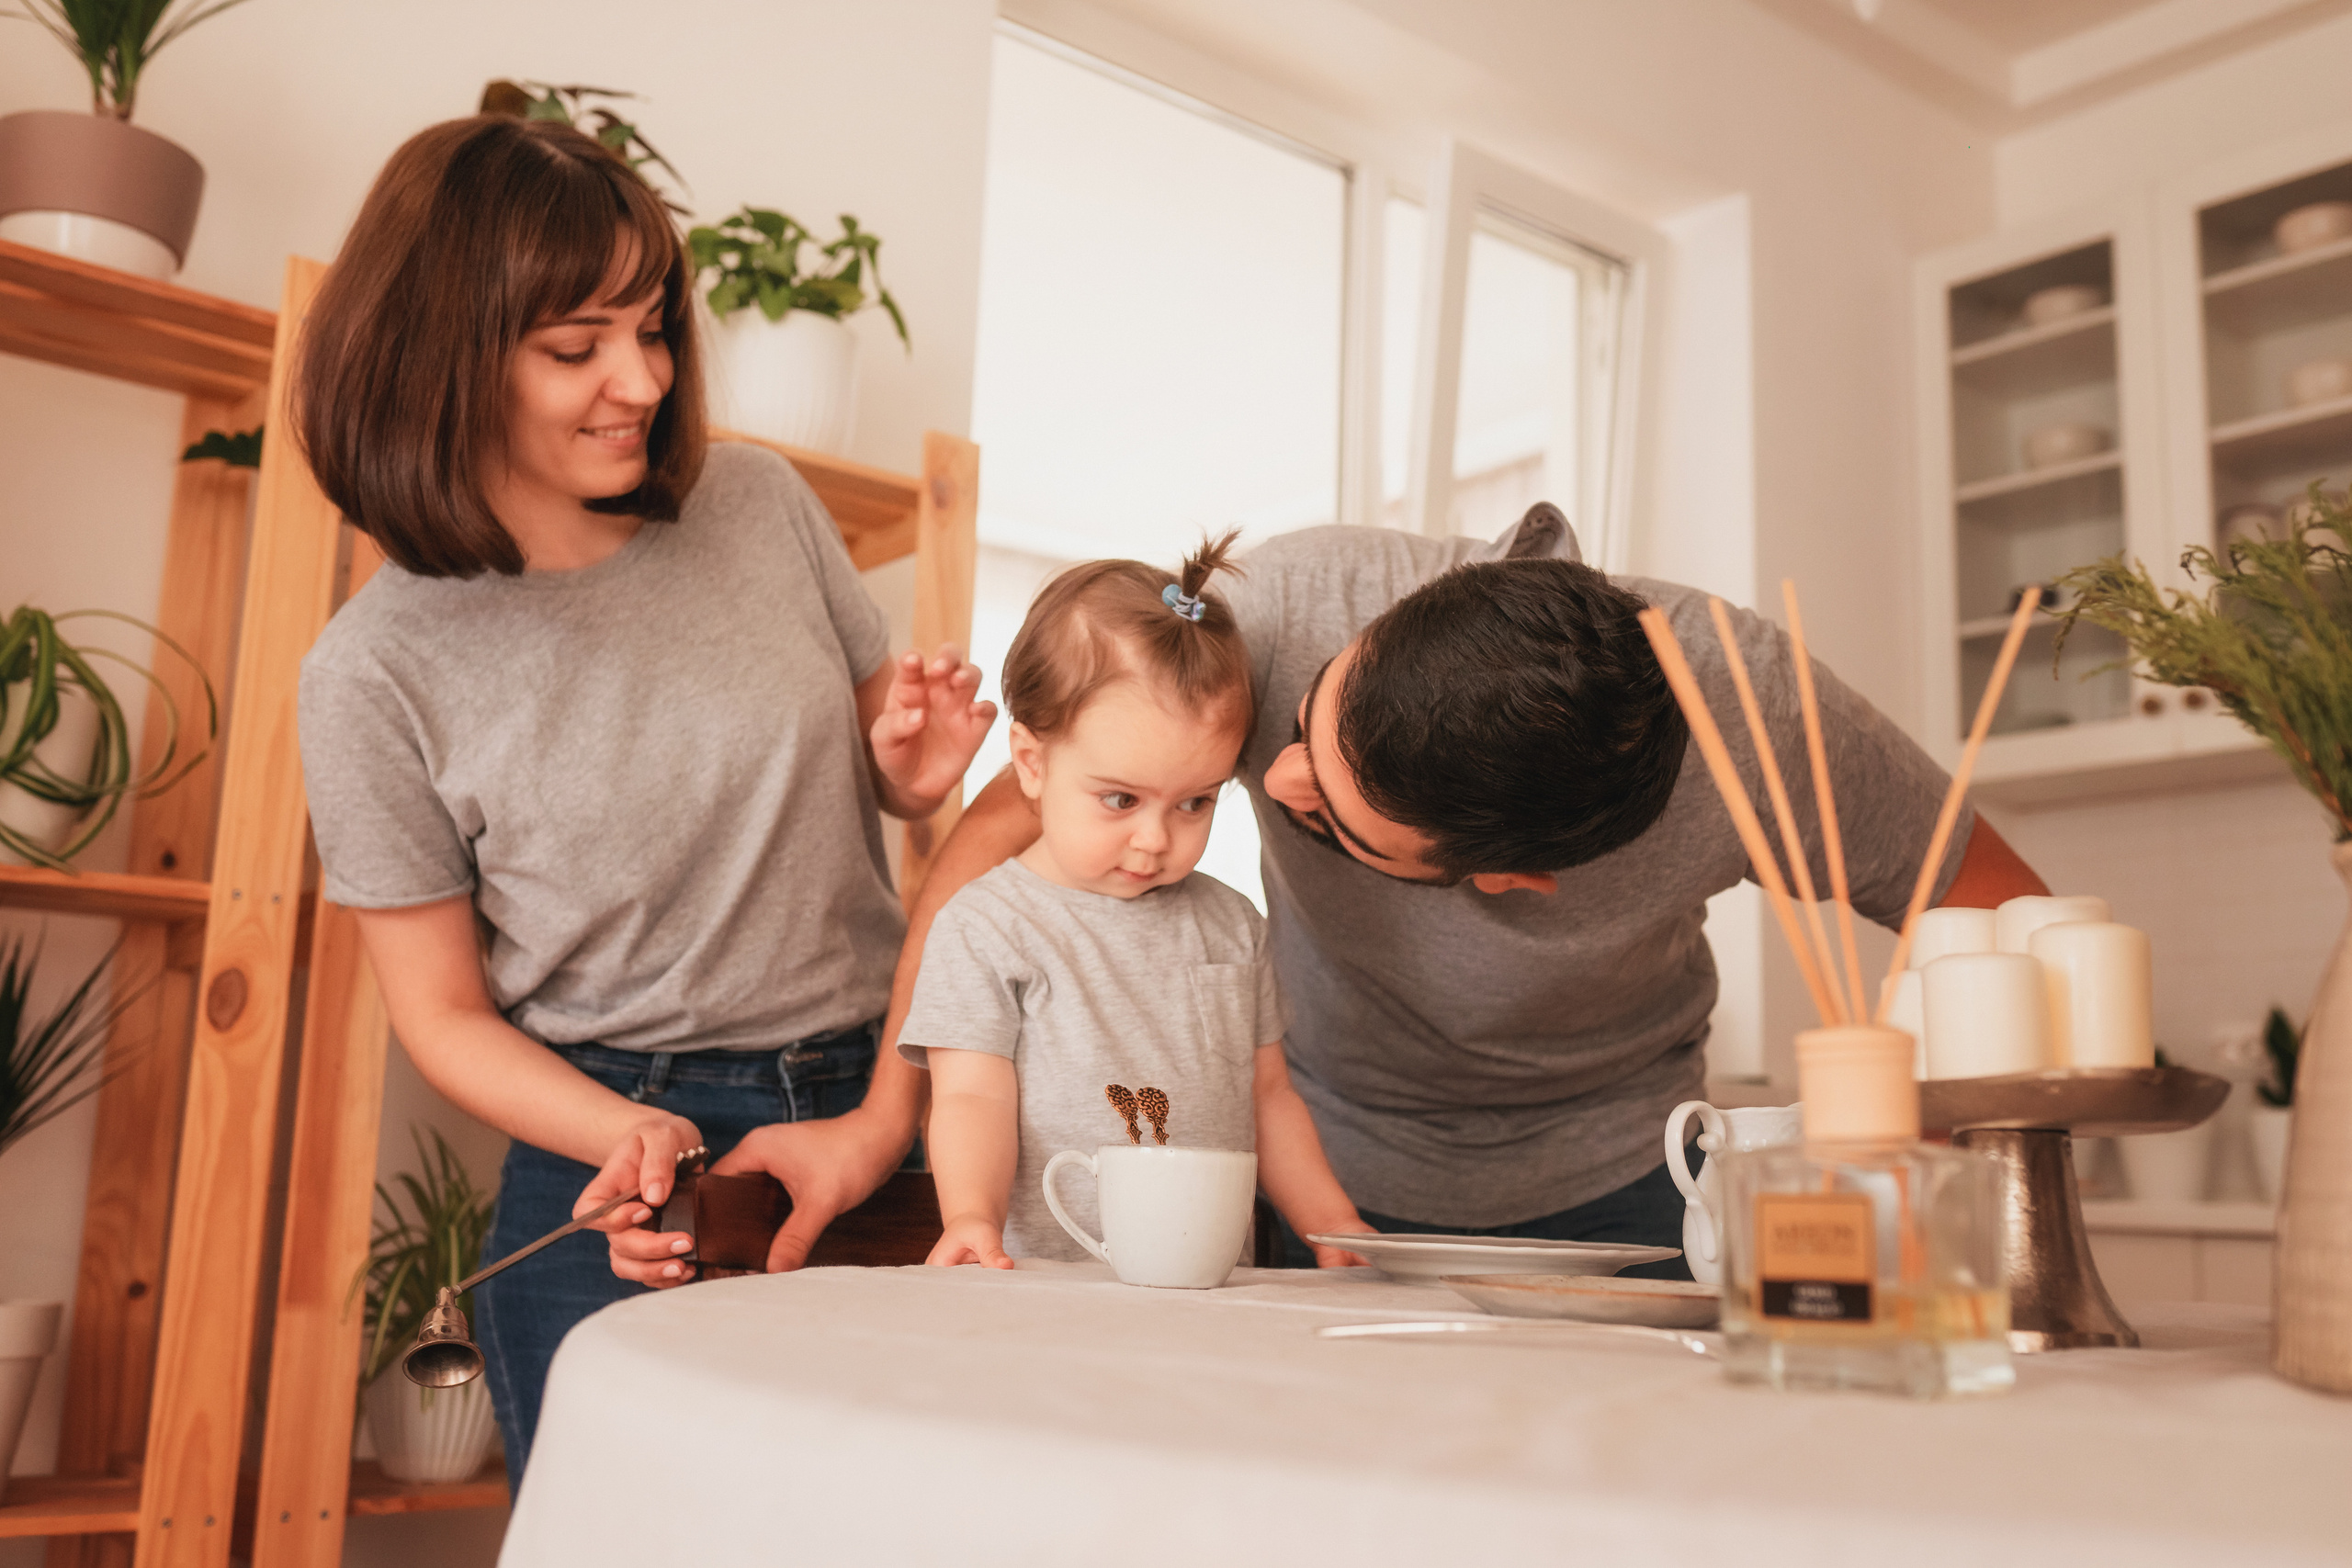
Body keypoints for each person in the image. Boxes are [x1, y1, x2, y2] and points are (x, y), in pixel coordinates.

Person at [293, 116, 992, 1486]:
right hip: (610, 1147)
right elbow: (439, 1011)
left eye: (653, 327)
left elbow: (879, 774)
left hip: (875, 1107)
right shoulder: (374, 669)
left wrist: (912, 776)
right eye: (577, 346)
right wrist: (627, 1137)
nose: (643, 378)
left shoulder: (760, 501)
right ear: (442, 361)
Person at [876, 505, 2049, 1278]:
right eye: (1302, 724)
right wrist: (886, 1123)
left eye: (1327, 819)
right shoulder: (1280, 610)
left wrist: (1904, 1163)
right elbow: (1013, 827)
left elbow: (1999, 914)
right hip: (1323, 1179)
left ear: (1502, 880)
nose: (1273, 779)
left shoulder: (1759, 724)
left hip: (1629, 1187)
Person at [900, 536, 1370, 1269]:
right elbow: (969, 1100)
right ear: (1032, 762)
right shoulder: (985, 927)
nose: (1155, 840)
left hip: (1209, 1291)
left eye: (1194, 802)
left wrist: (1331, 1221)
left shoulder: (1232, 924)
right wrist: (970, 1215)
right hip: (1049, 1290)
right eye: (1120, 798)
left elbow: (1271, 1098)